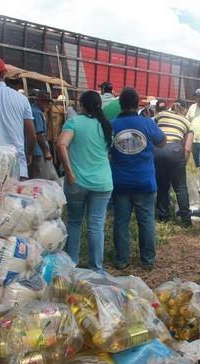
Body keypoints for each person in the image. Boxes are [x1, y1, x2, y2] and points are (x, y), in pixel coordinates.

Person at [57, 91, 113, 272]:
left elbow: (61, 144)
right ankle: (97, 267)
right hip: (103, 182)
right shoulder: (106, 126)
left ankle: (72, 263)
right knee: (96, 225)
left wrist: (69, 172)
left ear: (82, 105)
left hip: (77, 182)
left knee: (74, 222)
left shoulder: (74, 122)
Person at [110, 87, 166, 269]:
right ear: (137, 104)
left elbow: (106, 149)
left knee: (121, 221)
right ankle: (148, 260)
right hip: (145, 181)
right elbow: (162, 141)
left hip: (120, 182)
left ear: (120, 104)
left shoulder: (111, 125)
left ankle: (121, 260)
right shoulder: (148, 124)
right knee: (146, 221)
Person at [154, 99, 193, 226]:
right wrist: (183, 163)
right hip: (176, 150)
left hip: (158, 149)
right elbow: (187, 148)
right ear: (185, 111)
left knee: (162, 186)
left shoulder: (161, 115)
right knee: (180, 187)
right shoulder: (187, 123)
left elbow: (152, 129)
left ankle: (163, 217)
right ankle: (186, 220)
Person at [28, 90, 58, 180]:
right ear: (40, 102)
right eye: (47, 103)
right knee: (41, 178)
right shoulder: (36, 113)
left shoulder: (33, 110)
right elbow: (39, 134)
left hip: (35, 150)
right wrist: (46, 152)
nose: (49, 106)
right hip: (38, 151)